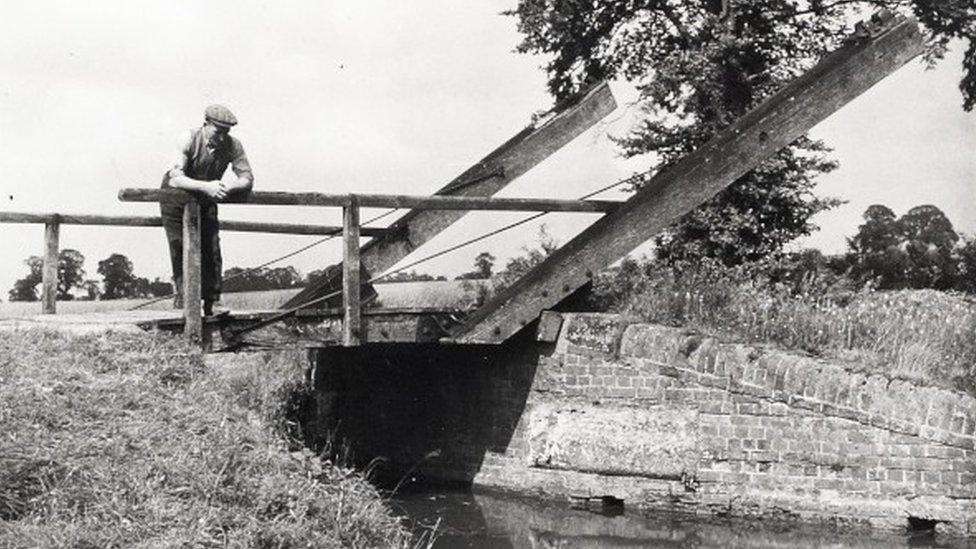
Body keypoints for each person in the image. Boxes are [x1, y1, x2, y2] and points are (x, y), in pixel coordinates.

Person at [160, 104, 253, 316]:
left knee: (211, 245)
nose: (221, 138)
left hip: (207, 193)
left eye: (225, 133)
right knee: (180, 246)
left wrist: (227, 186)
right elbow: (176, 179)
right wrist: (207, 186)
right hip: (177, 194)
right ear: (205, 125)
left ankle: (213, 301)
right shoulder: (189, 138)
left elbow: (247, 178)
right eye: (217, 132)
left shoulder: (233, 145)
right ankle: (186, 300)